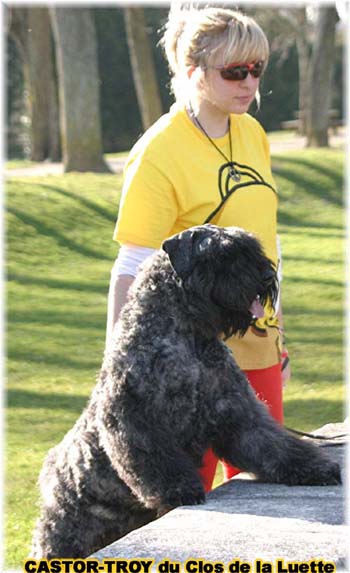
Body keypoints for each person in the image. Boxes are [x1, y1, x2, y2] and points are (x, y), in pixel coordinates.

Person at [106, 6, 291, 492]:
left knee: (272, 497)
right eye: (234, 71)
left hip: (259, 348)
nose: (249, 83)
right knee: (187, 505)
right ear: (193, 73)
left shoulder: (252, 133)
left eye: (256, 69)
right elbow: (132, 262)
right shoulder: (160, 150)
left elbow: (264, 248)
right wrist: (120, 363)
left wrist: (278, 333)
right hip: (185, 364)